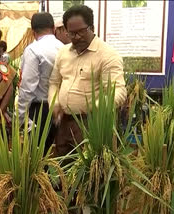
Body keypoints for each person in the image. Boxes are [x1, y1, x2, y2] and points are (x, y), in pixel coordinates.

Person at [48, 5, 127, 157]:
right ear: (65, 31)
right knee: (63, 167)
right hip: (63, 122)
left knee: (87, 172)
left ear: (92, 27)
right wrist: (55, 102)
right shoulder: (63, 52)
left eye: (81, 32)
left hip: (91, 124)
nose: (76, 37)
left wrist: (98, 107)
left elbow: (118, 90)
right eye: (72, 33)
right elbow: (53, 83)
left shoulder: (107, 55)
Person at [18, 12, 64, 153]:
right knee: (52, 152)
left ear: (33, 32)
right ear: (53, 28)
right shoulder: (64, 48)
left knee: (35, 158)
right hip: (60, 108)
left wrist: (21, 117)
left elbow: (27, 86)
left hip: (39, 111)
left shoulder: (33, 49)